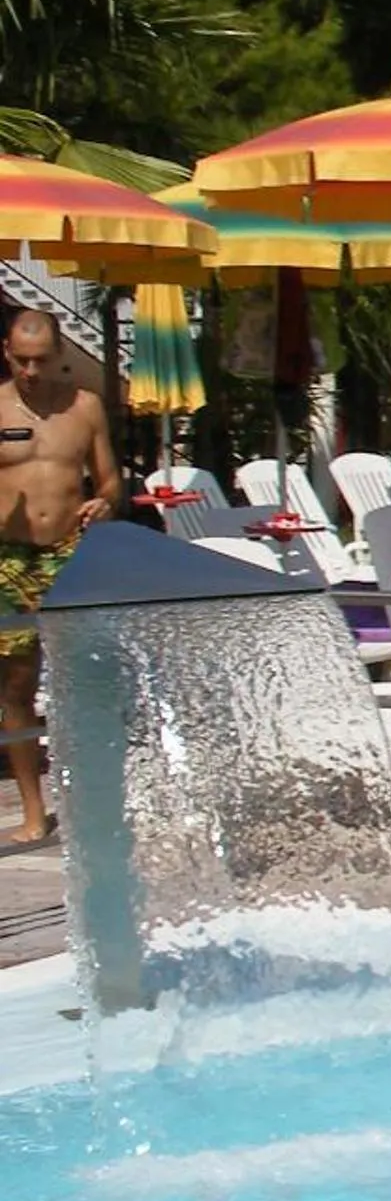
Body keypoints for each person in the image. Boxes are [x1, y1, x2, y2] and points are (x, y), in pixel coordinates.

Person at [0, 312, 123, 842]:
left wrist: (105, 502)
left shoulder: (85, 406)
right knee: (16, 687)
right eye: (21, 359)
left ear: (58, 354)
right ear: (6, 351)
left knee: (88, 684)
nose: (31, 370)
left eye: (41, 359)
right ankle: (33, 809)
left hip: (72, 552)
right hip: (11, 557)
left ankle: (93, 802)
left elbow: (112, 479)